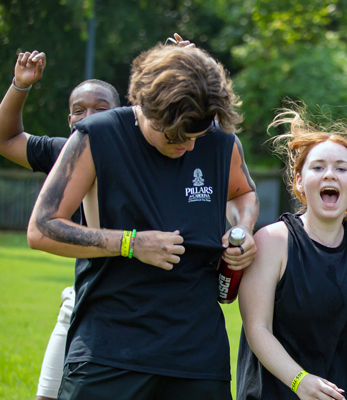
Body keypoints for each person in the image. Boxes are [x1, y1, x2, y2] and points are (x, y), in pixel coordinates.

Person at [27, 42, 258, 400]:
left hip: (197, 353)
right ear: (146, 108)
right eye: (176, 138)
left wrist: (242, 230)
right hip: (110, 347)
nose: (190, 147)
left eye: (197, 137)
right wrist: (130, 243)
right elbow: (41, 228)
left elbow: (244, 192)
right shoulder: (97, 136)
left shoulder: (218, 140)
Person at [236, 107, 347, 400]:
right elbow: (257, 329)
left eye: (341, 168)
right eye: (317, 167)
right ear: (300, 182)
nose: (330, 174)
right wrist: (299, 381)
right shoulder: (273, 241)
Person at [0, 50, 121, 400]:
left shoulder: (145, 154)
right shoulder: (66, 152)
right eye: (80, 110)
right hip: (83, 298)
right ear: (70, 120)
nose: (90, 116)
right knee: (47, 395)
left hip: (135, 302)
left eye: (101, 109)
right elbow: (6, 140)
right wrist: (20, 86)